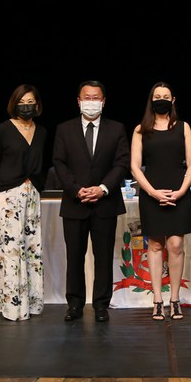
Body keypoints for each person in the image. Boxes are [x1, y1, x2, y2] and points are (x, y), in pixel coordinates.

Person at [52, 80, 130, 322]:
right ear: (78, 101)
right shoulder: (64, 129)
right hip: (75, 203)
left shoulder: (116, 129)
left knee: (103, 257)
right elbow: (59, 163)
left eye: (96, 98)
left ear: (103, 102)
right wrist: (77, 190)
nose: (91, 102)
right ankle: (74, 305)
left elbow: (121, 163)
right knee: (74, 257)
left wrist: (103, 188)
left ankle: (101, 305)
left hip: (105, 204)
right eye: (87, 97)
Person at [130, 82, 191, 321]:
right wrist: (152, 192)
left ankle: (175, 299)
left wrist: (180, 191)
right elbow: (135, 166)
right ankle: (158, 300)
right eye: (157, 96)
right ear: (151, 100)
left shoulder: (183, 127)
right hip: (152, 194)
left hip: (179, 192)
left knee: (176, 245)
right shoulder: (141, 130)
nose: (161, 100)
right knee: (156, 245)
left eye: (166, 96)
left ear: (173, 100)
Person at [0, 84, 47, 321]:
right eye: (21, 102)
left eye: (30, 102)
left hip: (32, 194)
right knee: (10, 251)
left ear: (37, 105)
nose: (26, 106)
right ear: (14, 104)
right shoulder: (3, 130)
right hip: (8, 194)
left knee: (32, 249)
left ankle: (32, 302)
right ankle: (12, 307)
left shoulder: (42, 131)